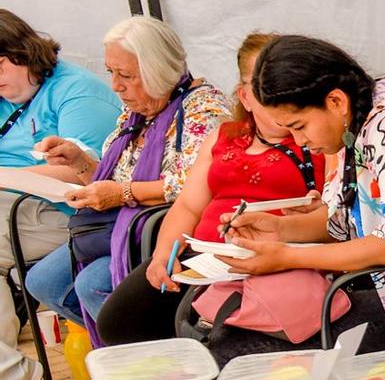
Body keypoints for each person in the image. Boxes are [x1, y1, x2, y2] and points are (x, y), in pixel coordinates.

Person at [216, 35, 385, 357]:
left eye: (300, 126)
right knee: (223, 330)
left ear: (335, 102)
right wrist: (279, 231)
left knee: (241, 349)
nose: (299, 141)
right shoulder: (356, 124)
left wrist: (286, 256)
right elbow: (342, 225)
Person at [94, 33, 326, 352]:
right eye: (265, 89)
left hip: (268, 261)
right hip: (202, 257)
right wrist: (164, 253)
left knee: (212, 338)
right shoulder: (225, 135)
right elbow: (188, 206)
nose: (277, 96)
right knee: (119, 323)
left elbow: (335, 214)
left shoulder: (317, 137)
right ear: (245, 96)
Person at [25, 16, 227, 340]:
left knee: (91, 285)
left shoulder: (203, 109)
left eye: (126, 75)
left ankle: (150, 357)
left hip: (159, 232)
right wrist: (79, 162)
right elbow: (115, 176)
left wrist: (122, 194)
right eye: (111, 72)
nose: (116, 85)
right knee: (42, 282)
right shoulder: (137, 111)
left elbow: (193, 184)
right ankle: (125, 345)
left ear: (158, 70)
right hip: (119, 227)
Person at [0, 11, 120, 380]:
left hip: (71, 212)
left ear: (22, 51)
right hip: (16, 207)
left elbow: (88, 174)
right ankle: (8, 376)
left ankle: (11, 376)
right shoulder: (7, 94)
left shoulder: (77, 92)